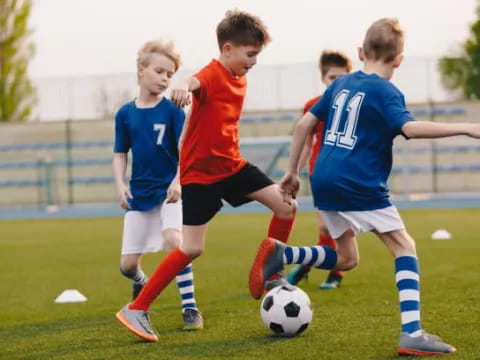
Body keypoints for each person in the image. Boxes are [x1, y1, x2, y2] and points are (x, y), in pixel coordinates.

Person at [251, 18, 480, 356]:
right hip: (358, 182)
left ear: (360, 52)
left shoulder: (341, 83)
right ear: (399, 59)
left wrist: (291, 173)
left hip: (324, 180)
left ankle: (285, 254)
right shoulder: (386, 91)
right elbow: (411, 129)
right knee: (404, 247)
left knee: (346, 259)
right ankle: (412, 333)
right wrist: (466, 128)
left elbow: (303, 124)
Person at [116, 10, 299, 342]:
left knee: (286, 206)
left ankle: (272, 274)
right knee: (191, 249)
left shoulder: (241, 77)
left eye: (257, 54)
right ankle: (138, 307)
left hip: (232, 167)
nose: (254, 61)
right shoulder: (212, 74)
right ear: (227, 49)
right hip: (200, 177)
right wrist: (182, 89)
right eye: (250, 54)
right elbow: (193, 81)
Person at [113, 40, 203, 337]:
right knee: (127, 266)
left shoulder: (174, 111)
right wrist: (120, 184)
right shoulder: (125, 114)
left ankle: (189, 306)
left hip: (170, 191)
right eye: (160, 71)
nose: (165, 78)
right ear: (141, 71)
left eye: (170, 74)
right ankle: (141, 280)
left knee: (174, 241)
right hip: (140, 194)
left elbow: (184, 150)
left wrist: (178, 182)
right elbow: (120, 153)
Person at [287, 50, 352, 289]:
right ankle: (330, 271)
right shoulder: (313, 106)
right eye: (333, 77)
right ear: (324, 78)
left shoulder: (354, 107)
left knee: (343, 226)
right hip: (320, 174)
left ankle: (311, 266)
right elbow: (307, 144)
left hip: (349, 174)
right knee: (326, 226)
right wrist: (294, 172)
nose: (337, 82)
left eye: (342, 77)